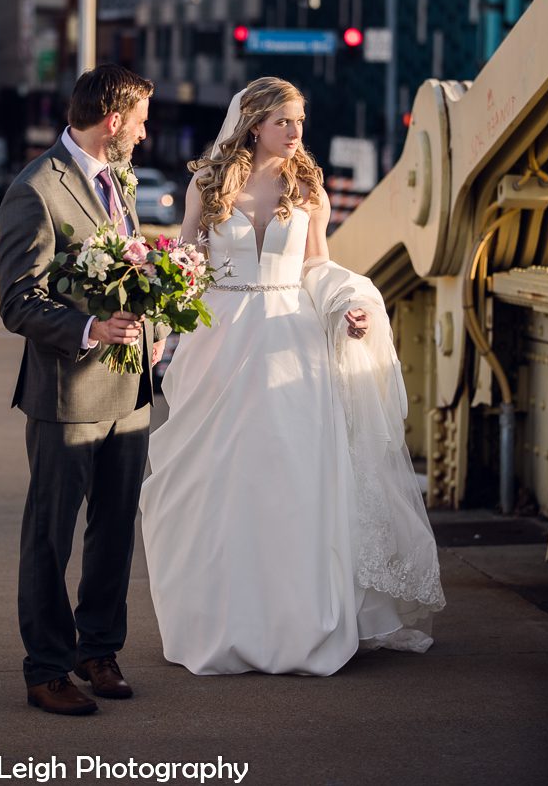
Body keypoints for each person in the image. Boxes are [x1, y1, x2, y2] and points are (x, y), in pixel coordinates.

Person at [140, 76, 445, 676]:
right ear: (254, 123)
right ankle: (216, 622)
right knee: (214, 481)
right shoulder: (206, 183)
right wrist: (159, 325)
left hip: (291, 338)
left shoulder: (306, 187)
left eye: (300, 121)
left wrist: (345, 309)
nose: (296, 132)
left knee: (293, 478)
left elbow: (316, 266)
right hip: (218, 340)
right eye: (284, 121)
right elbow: (188, 266)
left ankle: (298, 625)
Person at [0, 64, 168, 714]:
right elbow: (19, 303)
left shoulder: (116, 179)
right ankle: (46, 670)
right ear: (114, 120)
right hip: (66, 395)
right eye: (143, 120)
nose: (147, 134)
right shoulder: (35, 189)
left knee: (116, 529)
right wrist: (92, 327)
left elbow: (123, 267)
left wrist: (157, 308)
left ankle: (97, 651)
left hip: (128, 391)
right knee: (50, 535)